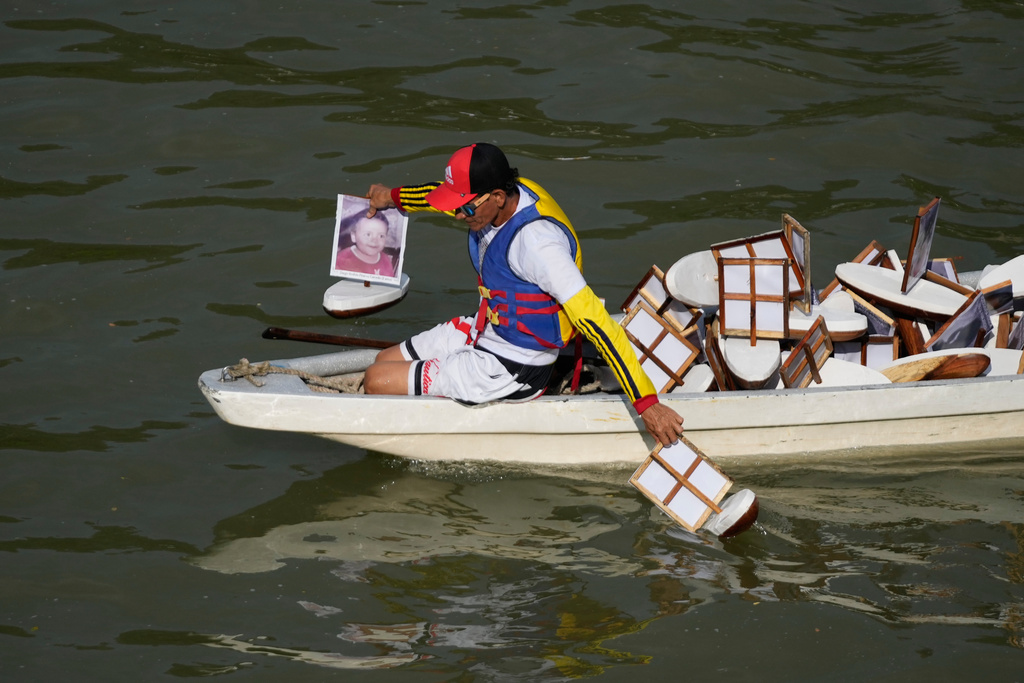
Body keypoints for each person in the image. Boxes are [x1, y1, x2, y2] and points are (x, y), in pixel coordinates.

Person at [362, 142, 684, 447]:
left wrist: (647, 404)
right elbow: (436, 196)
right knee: (382, 361)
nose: (458, 216)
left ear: (498, 197)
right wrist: (388, 197)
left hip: (516, 366)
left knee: (376, 381)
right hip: (488, 327)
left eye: (464, 207)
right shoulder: (500, 196)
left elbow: (598, 324)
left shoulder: (538, 246)